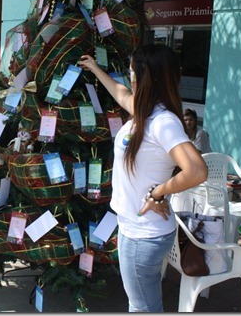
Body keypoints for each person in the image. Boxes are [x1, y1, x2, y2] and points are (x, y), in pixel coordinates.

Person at [78, 44, 207, 312]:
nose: (129, 77)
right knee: (143, 304)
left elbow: (196, 170)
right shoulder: (146, 111)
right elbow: (120, 93)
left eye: (132, 72)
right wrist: (95, 68)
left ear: (145, 76)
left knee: (142, 308)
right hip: (136, 228)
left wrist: (159, 192)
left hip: (144, 234)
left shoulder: (163, 122)